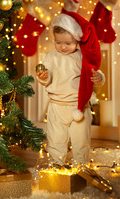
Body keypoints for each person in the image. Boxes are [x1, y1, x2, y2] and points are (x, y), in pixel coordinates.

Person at [36, 10, 105, 167]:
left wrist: (99, 77)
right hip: (57, 106)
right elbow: (46, 76)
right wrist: (44, 77)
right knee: (55, 139)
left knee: (81, 141)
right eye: (58, 42)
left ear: (77, 40)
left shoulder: (82, 57)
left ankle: (81, 167)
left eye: (68, 43)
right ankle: (56, 164)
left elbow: (94, 71)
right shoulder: (51, 57)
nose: (63, 47)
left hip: (79, 106)